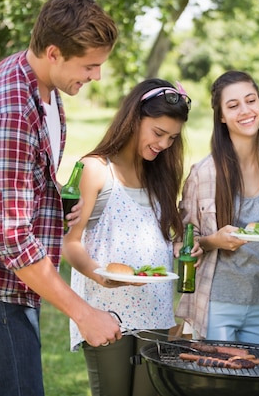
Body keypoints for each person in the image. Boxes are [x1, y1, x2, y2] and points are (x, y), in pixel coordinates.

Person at [0, 0, 120, 396]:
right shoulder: (11, 110)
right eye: (90, 65)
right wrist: (84, 314)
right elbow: (11, 240)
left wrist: (53, 194)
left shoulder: (40, 80)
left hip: (15, 291)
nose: (96, 76)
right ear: (54, 53)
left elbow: (14, 176)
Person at [61, 78, 192, 396]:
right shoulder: (95, 170)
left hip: (155, 310)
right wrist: (100, 276)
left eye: (172, 138)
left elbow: (161, 236)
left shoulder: (159, 174)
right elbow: (70, 243)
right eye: (158, 133)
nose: (163, 144)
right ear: (134, 118)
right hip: (106, 311)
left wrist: (182, 247)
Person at [174, 70, 259, 346]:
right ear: (222, 117)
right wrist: (213, 241)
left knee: (257, 382)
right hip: (218, 302)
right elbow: (182, 242)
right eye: (233, 105)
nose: (246, 110)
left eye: (251, 101)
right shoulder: (205, 173)